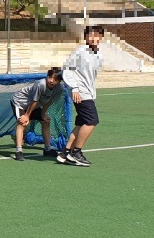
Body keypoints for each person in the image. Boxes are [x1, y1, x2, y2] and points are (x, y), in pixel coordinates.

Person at [57, 25, 105, 167]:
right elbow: (67, 70)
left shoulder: (98, 55)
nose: (93, 38)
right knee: (92, 120)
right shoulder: (80, 51)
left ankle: (65, 153)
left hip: (89, 92)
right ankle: (76, 152)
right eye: (90, 35)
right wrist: (75, 89)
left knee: (80, 123)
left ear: (101, 38)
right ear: (85, 37)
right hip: (80, 93)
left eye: (97, 35)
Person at [12, 67, 64, 160]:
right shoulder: (40, 84)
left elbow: (49, 101)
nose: (51, 81)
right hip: (20, 102)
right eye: (50, 77)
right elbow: (34, 100)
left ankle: (47, 149)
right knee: (22, 123)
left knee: (46, 122)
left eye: (55, 79)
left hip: (34, 105)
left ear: (59, 81)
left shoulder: (60, 88)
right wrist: (27, 115)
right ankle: (18, 151)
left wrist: (43, 114)